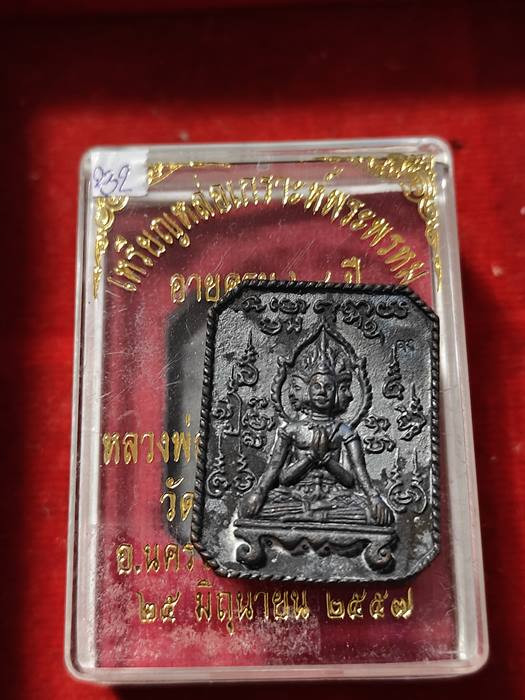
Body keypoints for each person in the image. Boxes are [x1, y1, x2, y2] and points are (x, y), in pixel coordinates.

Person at [240, 328, 393, 526]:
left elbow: (352, 478)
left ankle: (308, 517)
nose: (322, 392)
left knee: (371, 515)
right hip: (295, 496)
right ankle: (312, 515)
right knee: (254, 510)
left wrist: (373, 498)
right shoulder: (292, 430)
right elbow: (280, 475)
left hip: (335, 498)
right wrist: (260, 493)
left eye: (329, 387)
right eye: (317, 386)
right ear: (306, 390)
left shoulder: (344, 431)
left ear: (337, 393)